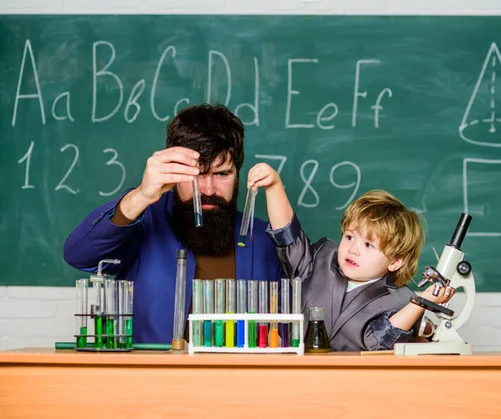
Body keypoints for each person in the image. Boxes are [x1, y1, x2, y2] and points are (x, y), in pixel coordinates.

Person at [64, 104, 282, 344]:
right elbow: (79, 256)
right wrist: (141, 197)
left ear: (238, 173)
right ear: (174, 172)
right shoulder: (144, 222)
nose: (208, 189)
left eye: (221, 174)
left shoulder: (262, 239)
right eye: (197, 175)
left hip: (237, 380)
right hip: (155, 380)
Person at [247, 163, 454, 351]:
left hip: (356, 385)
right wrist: (274, 185)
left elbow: (379, 342)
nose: (353, 249)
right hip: (298, 377)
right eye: (349, 236)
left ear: (395, 261)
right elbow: (288, 236)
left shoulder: (400, 301)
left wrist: (420, 303)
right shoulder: (320, 260)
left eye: (368, 245)